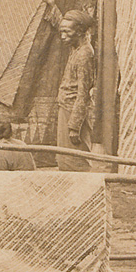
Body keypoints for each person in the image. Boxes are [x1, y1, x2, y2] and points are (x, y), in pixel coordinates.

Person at [56, 10, 96, 171]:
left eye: (67, 32)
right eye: (62, 32)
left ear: (79, 32)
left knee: (73, 160)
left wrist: (74, 126)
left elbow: (83, 93)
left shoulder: (84, 54)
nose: (63, 36)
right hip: (67, 108)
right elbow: (64, 25)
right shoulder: (76, 47)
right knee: (65, 157)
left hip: (73, 111)